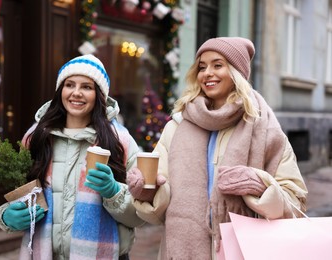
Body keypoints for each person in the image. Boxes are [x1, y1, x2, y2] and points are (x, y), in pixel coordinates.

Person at [126, 37, 308, 259]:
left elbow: (295, 200)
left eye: (217, 65)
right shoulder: (177, 126)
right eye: (202, 67)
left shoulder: (265, 128)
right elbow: (160, 199)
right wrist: (147, 191)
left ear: (236, 72)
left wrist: (260, 185)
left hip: (245, 250)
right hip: (184, 250)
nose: (207, 73)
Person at [0, 54, 144, 259]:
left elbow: (140, 214)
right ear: (60, 91)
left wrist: (114, 192)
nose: (76, 93)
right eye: (69, 85)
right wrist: (7, 216)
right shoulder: (36, 138)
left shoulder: (120, 142)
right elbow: (21, 194)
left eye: (87, 87)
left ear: (99, 95)